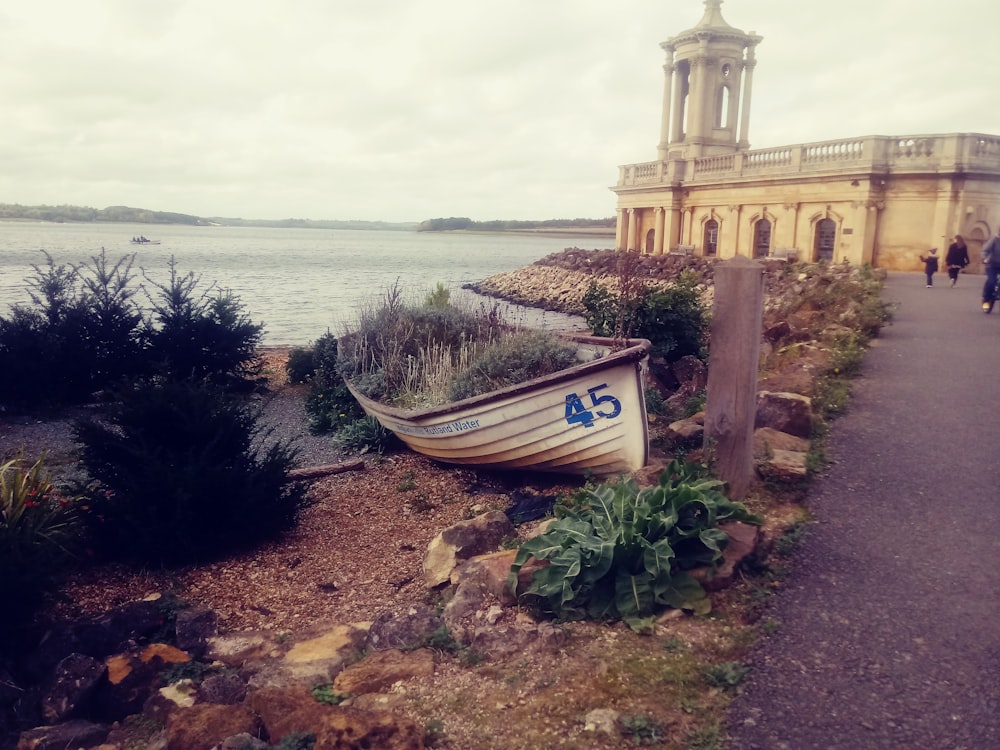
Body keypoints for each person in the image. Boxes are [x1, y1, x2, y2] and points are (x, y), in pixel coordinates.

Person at [982, 226, 1000, 313]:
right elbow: (985, 250)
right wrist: (985, 258)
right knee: (992, 282)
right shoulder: (994, 240)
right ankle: (986, 300)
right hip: (992, 265)